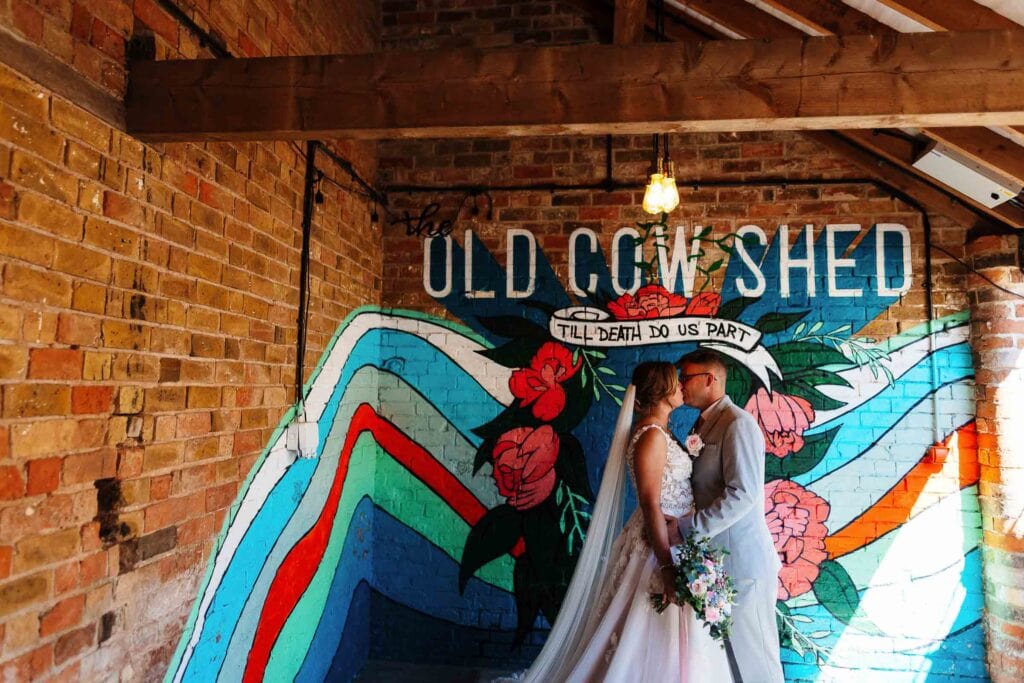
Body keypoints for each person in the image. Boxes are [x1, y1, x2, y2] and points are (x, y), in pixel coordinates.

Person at [506, 361, 731, 682]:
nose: (682, 386)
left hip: (678, 540)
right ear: (662, 390)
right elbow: (651, 503)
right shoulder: (651, 436)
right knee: (646, 626)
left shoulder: (661, 431)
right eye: (676, 382)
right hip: (658, 546)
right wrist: (667, 567)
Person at [669, 349, 785, 683]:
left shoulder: (738, 424)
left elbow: (743, 493)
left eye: (686, 377)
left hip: (743, 565)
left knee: (755, 662)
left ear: (710, 380)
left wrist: (687, 529)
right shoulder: (703, 424)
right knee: (727, 665)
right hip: (716, 565)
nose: (680, 385)